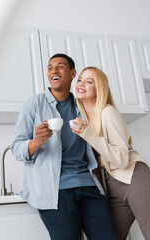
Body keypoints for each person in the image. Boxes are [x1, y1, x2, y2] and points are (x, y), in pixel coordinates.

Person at [11, 54, 118, 240]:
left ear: (72, 73)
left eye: (60, 66)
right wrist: (37, 141)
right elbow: (16, 148)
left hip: (88, 185)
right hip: (54, 192)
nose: (53, 70)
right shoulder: (33, 105)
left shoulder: (82, 105)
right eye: (50, 67)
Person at [70, 66, 150, 240]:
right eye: (80, 80)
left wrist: (89, 135)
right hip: (109, 187)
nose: (81, 84)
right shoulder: (81, 118)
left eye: (89, 81)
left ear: (99, 89)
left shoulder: (107, 112)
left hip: (136, 180)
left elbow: (122, 159)